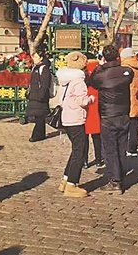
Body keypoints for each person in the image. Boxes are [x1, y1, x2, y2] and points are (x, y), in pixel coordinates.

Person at [88, 43, 135, 194]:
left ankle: (115, 180)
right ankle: (120, 175)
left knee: (110, 148)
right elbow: (129, 74)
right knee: (121, 147)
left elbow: (92, 81)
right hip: (123, 113)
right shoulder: (126, 72)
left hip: (108, 115)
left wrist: (100, 66)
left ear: (104, 58)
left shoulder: (102, 75)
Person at [56, 51, 95, 198]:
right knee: (80, 151)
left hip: (67, 117)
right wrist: (91, 99)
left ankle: (66, 179)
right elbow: (82, 101)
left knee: (76, 149)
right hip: (76, 119)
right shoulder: (78, 81)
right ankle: (72, 184)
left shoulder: (65, 79)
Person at [26, 45, 52, 142]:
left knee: (40, 116)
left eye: (36, 57)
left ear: (41, 58)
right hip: (35, 94)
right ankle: (41, 134)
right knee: (39, 116)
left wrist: (41, 95)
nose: (34, 59)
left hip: (40, 96)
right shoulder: (35, 67)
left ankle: (37, 135)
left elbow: (45, 83)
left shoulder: (44, 68)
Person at [120, 47, 138, 157]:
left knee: (124, 127)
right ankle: (133, 148)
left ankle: (124, 147)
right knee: (134, 126)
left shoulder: (124, 68)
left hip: (125, 100)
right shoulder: (137, 68)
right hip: (135, 100)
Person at [85, 54, 104, 169]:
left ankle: (84, 160)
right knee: (97, 136)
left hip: (86, 106)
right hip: (97, 106)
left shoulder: (83, 71)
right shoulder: (100, 70)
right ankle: (98, 158)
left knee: (84, 136)